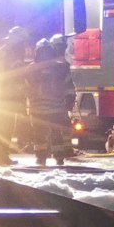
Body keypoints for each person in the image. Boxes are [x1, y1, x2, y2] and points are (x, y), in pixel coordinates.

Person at [0, 26, 31, 165]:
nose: (24, 45)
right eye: (22, 42)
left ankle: (0, 156)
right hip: (5, 99)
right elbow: (14, 76)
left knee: (2, 128)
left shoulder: (3, 52)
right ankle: (0, 157)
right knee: (4, 129)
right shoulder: (10, 54)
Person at [27, 35, 75, 165]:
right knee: (56, 134)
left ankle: (41, 157)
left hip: (36, 108)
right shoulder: (61, 67)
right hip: (56, 108)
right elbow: (69, 86)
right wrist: (69, 102)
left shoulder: (31, 68)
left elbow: (26, 88)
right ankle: (59, 157)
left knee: (39, 135)